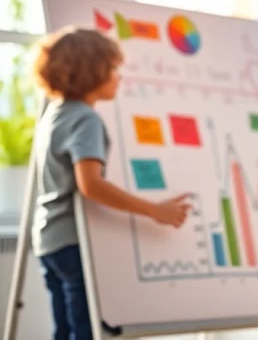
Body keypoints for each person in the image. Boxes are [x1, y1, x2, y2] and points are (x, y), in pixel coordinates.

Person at [29, 27, 191, 340]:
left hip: (48, 239)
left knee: (64, 329)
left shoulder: (54, 114)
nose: (119, 76)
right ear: (93, 72)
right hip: (72, 241)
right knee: (85, 330)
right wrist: (155, 211)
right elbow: (90, 185)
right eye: (114, 69)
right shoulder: (86, 119)